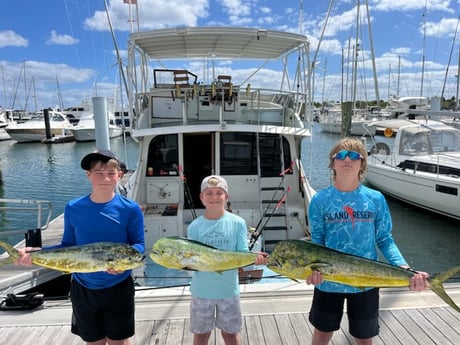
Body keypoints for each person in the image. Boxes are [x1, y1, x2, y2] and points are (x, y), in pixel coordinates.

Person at [306, 138, 430, 345]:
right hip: (328, 281)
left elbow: (384, 239)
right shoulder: (320, 200)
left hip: (367, 281)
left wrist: (405, 268)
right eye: (341, 155)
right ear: (333, 162)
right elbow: (317, 242)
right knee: (321, 333)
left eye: (354, 155)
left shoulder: (375, 199)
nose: (348, 159)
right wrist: (311, 272)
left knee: (364, 337)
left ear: (362, 163)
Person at [16, 149, 145, 345]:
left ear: (119, 175)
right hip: (83, 288)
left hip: (118, 287)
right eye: (98, 173)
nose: (105, 179)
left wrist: (125, 265)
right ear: (88, 175)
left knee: (119, 341)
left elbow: (138, 245)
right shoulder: (73, 207)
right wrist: (36, 254)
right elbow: (68, 246)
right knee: (93, 341)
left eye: (111, 173)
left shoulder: (131, 209)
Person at [187, 175, 268, 345]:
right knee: (201, 336)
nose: (214, 197)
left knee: (231, 335)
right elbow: (192, 260)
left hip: (228, 291)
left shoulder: (238, 223)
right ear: (201, 197)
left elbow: (243, 254)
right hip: (201, 292)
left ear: (227, 197)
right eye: (208, 193)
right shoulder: (194, 227)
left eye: (219, 192)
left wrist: (255, 259)